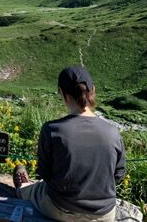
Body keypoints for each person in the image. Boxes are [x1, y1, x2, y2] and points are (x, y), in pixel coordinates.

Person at [13, 66, 126, 222]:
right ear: (93, 90)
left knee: (34, 189)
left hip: (60, 208)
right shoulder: (113, 132)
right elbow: (119, 175)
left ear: (62, 93)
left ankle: (22, 188)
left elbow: (44, 174)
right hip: (104, 215)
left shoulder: (51, 130)